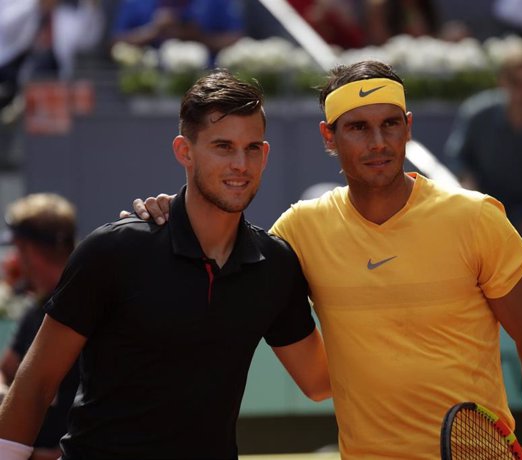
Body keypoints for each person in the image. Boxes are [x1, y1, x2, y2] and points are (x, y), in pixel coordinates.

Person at [131, 60, 522, 459]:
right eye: (358, 128)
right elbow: (314, 380)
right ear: (329, 135)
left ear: (408, 126)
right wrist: (175, 214)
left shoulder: (476, 216)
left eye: (390, 124)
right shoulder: (300, 230)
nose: (378, 142)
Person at [0, 69, 330, 460]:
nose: (240, 164)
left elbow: (319, 382)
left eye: (252, 147)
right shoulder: (113, 249)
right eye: (223, 146)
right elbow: (35, 383)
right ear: (184, 151)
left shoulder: (275, 265)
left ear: (265, 153)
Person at [443, 45, 522, 245]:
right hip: (484, 212)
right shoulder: (477, 114)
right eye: (516, 82)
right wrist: (475, 200)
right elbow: (457, 160)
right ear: (502, 81)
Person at [0, 193, 79, 460]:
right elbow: (6, 370)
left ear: (28, 250)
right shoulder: (33, 311)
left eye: (16, 247)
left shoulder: (92, 305)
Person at [111, 0, 244, 54]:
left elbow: (237, 39)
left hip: (208, 82)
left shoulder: (214, 2)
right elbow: (114, 43)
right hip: (144, 86)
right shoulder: (137, 3)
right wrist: (152, 31)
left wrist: (200, 37)